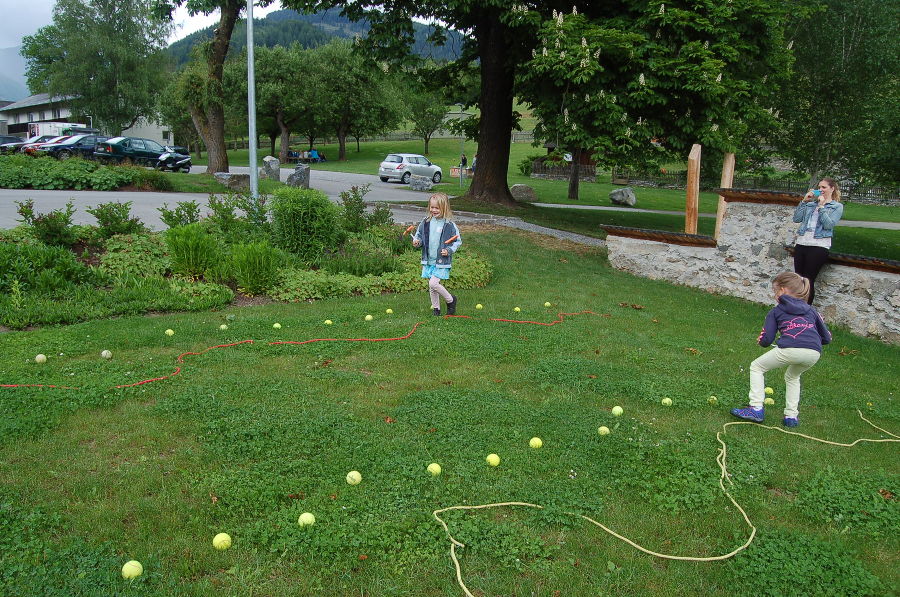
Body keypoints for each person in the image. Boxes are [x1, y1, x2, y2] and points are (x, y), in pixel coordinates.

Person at [731, 272, 832, 428]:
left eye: (775, 291)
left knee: (757, 367)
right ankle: (791, 417)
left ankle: (756, 408)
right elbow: (826, 337)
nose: (774, 295)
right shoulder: (812, 311)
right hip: (814, 353)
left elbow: (767, 339)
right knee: (792, 377)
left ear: (783, 290)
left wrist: (762, 341)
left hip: (790, 348)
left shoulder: (776, 311)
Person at [792, 177, 844, 304]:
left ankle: (805, 312)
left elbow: (828, 225)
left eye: (824, 187)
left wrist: (821, 207)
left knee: (808, 280)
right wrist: (804, 201)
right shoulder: (810, 205)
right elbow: (796, 218)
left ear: (832, 189)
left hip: (819, 246)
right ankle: (795, 310)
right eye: (819, 187)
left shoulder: (836, 206)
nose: (821, 190)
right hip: (802, 243)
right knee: (799, 280)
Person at [412, 192, 462, 316]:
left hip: (442, 261)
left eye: (436, 208)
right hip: (429, 260)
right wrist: (417, 242)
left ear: (444, 208)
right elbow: (419, 236)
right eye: (432, 207)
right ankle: (436, 309)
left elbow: (457, 241)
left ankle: (451, 300)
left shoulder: (449, 225)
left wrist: (449, 250)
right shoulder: (426, 222)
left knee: (433, 283)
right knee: (432, 286)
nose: (433, 210)